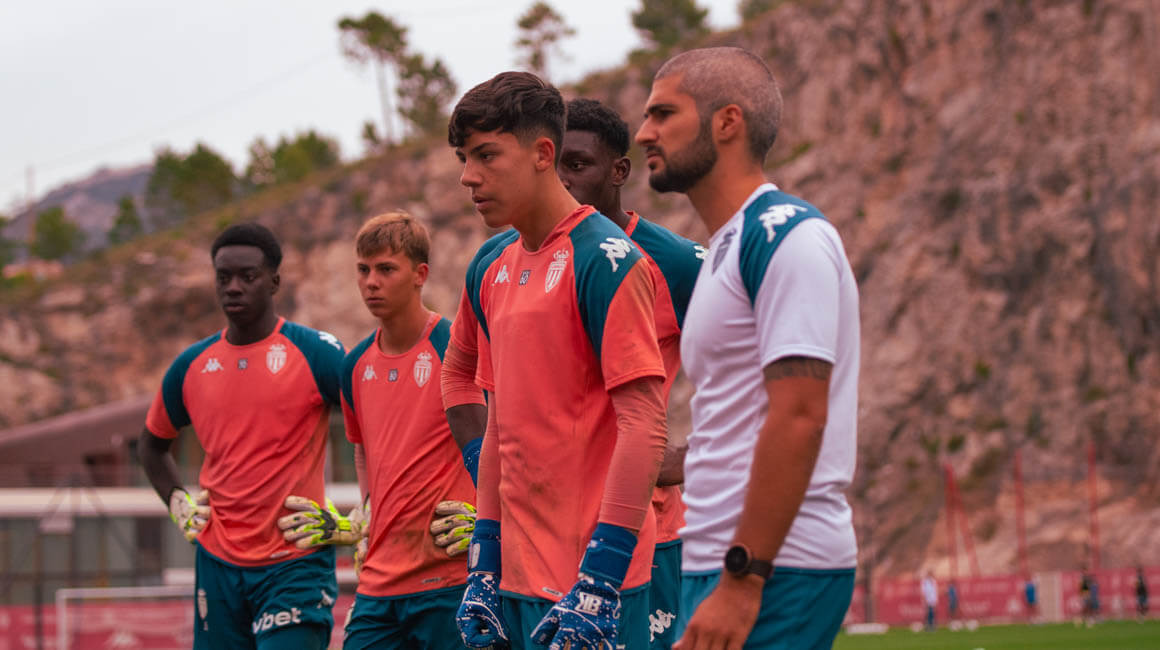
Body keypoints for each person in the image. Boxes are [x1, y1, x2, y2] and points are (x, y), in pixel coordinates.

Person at [636, 46, 860, 649]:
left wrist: (743, 577)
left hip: (776, 566)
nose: (644, 132)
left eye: (663, 114)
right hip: (716, 558)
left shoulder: (788, 236)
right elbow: (733, 419)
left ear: (727, 122)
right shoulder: (726, 247)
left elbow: (800, 415)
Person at [446, 71, 669, 650]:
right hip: (517, 581)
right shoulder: (492, 265)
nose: (469, 176)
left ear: (543, 154)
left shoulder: (606, 259)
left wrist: (600, 580)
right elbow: (500, 426)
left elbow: (643, 425)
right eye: (464, 159)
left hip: (595, 586)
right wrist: (484, 562)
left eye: (486, 155)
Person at [138, 222, 344, 649]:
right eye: (223, 277)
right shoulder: (191, 365)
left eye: (247, 276)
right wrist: (177, 501)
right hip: (217, 565)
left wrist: (354, 520)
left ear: (274, 282)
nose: (233, 287)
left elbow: (380, 428)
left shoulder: (316, 353)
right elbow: (152, 446)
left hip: (295, 562)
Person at [280, 213, 480, 648]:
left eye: (386, 269)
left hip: (450, 576)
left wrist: (487, 516)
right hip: (378, 582)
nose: (371, 282)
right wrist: (369, 509)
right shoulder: (354, 365)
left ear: (420, 274)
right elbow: (362, 448)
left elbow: (502, 436)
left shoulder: (456, 347)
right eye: (363, 269)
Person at [558, 96, 704, 650]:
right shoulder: (520, 260)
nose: (564, 181)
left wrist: (695, 456)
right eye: (554, 166)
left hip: (646, 527)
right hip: (547, 526)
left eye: (579, 165)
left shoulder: (677, 263)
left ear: (619, 171)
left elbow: (760, 367)